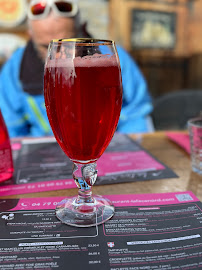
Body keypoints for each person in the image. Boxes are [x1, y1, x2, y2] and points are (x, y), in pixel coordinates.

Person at [0, 0, 153, 137]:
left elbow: (137, 116)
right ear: (31, 36)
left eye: (68, 44)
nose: (58, 56)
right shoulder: (16, 68)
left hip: (105, 149)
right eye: (47, 47)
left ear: (82, 30)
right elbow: (11, 127)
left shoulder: (113, 60)